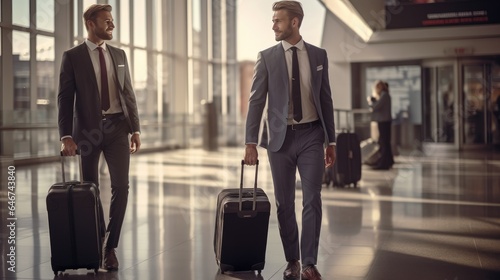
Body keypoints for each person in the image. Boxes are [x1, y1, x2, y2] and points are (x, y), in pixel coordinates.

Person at [243, 1, 336, 279]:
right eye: (272, 20)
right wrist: (250, 141)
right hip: (279, 140)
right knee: (284, 203)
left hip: (311, 135)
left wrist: (331, 141)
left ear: (294, 22)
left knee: (313, 199)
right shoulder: (267, 56)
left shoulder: (319, 55)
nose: (273, 25)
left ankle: (309, 262)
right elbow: (256, 101)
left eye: (278, 21)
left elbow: (326, 100)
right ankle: (292, 259)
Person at [58, 4, 141, 271]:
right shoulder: (72, 57)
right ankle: (97, 237)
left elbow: (128, 92)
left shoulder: (119, 54)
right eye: (107, 21)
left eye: (112, 20)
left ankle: (110, 246)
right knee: (90, 189)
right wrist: (66, 135)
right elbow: (65, 98)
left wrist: (136, 128)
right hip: (88, 131)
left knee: (122, 187)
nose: (112, 25)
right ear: (91, 24)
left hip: (118, 127)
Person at [368, 81, 394, 170]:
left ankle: (384, 163)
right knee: (385, 141)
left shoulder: (384, 95)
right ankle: (388, 161)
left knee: (383, 142)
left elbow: (376, 107)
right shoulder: (385, 95)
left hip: (384, 121)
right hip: (384, 121)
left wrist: (370, 102)